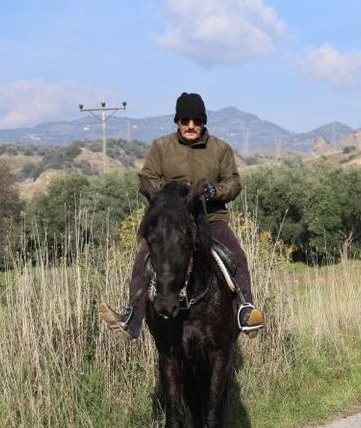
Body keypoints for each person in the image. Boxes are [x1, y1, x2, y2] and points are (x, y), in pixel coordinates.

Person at [99, 92, 263, 338]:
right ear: (177, 121)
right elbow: (149, 176)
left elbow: (234, 182)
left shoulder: (220, 149)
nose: (190, 125)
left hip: (211, 219)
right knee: (144, 257)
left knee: (236, 256)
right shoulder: (160, 147)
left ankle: (245, 309)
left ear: (203, 122)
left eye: (196, 121)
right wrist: (163, 197)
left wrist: (214, 191)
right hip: (172, 223)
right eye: (185, 120)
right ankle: (132, 317)